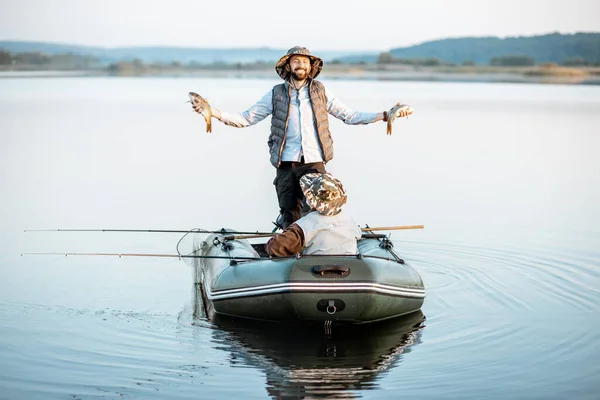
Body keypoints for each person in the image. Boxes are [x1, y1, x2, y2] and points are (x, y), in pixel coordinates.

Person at [191, 45, 413, 230]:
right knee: (289, 217)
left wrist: (385, 115)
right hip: (286, 164)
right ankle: (289, 256)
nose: (300, 64)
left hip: (314, 164)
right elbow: (246, 118)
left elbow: (350, 115)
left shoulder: (321, 92)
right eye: (296, 61)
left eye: (304, 61)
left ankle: (319, 254)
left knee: (318, 215)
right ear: (288, 66)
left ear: (311, 66)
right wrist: (213, 113)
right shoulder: (276, 94)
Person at [265, 172, 362, 257]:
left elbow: (275, 247)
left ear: (311, 200)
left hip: (314, 273)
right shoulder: (350, 221)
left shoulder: (304, 225)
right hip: (349, 271)